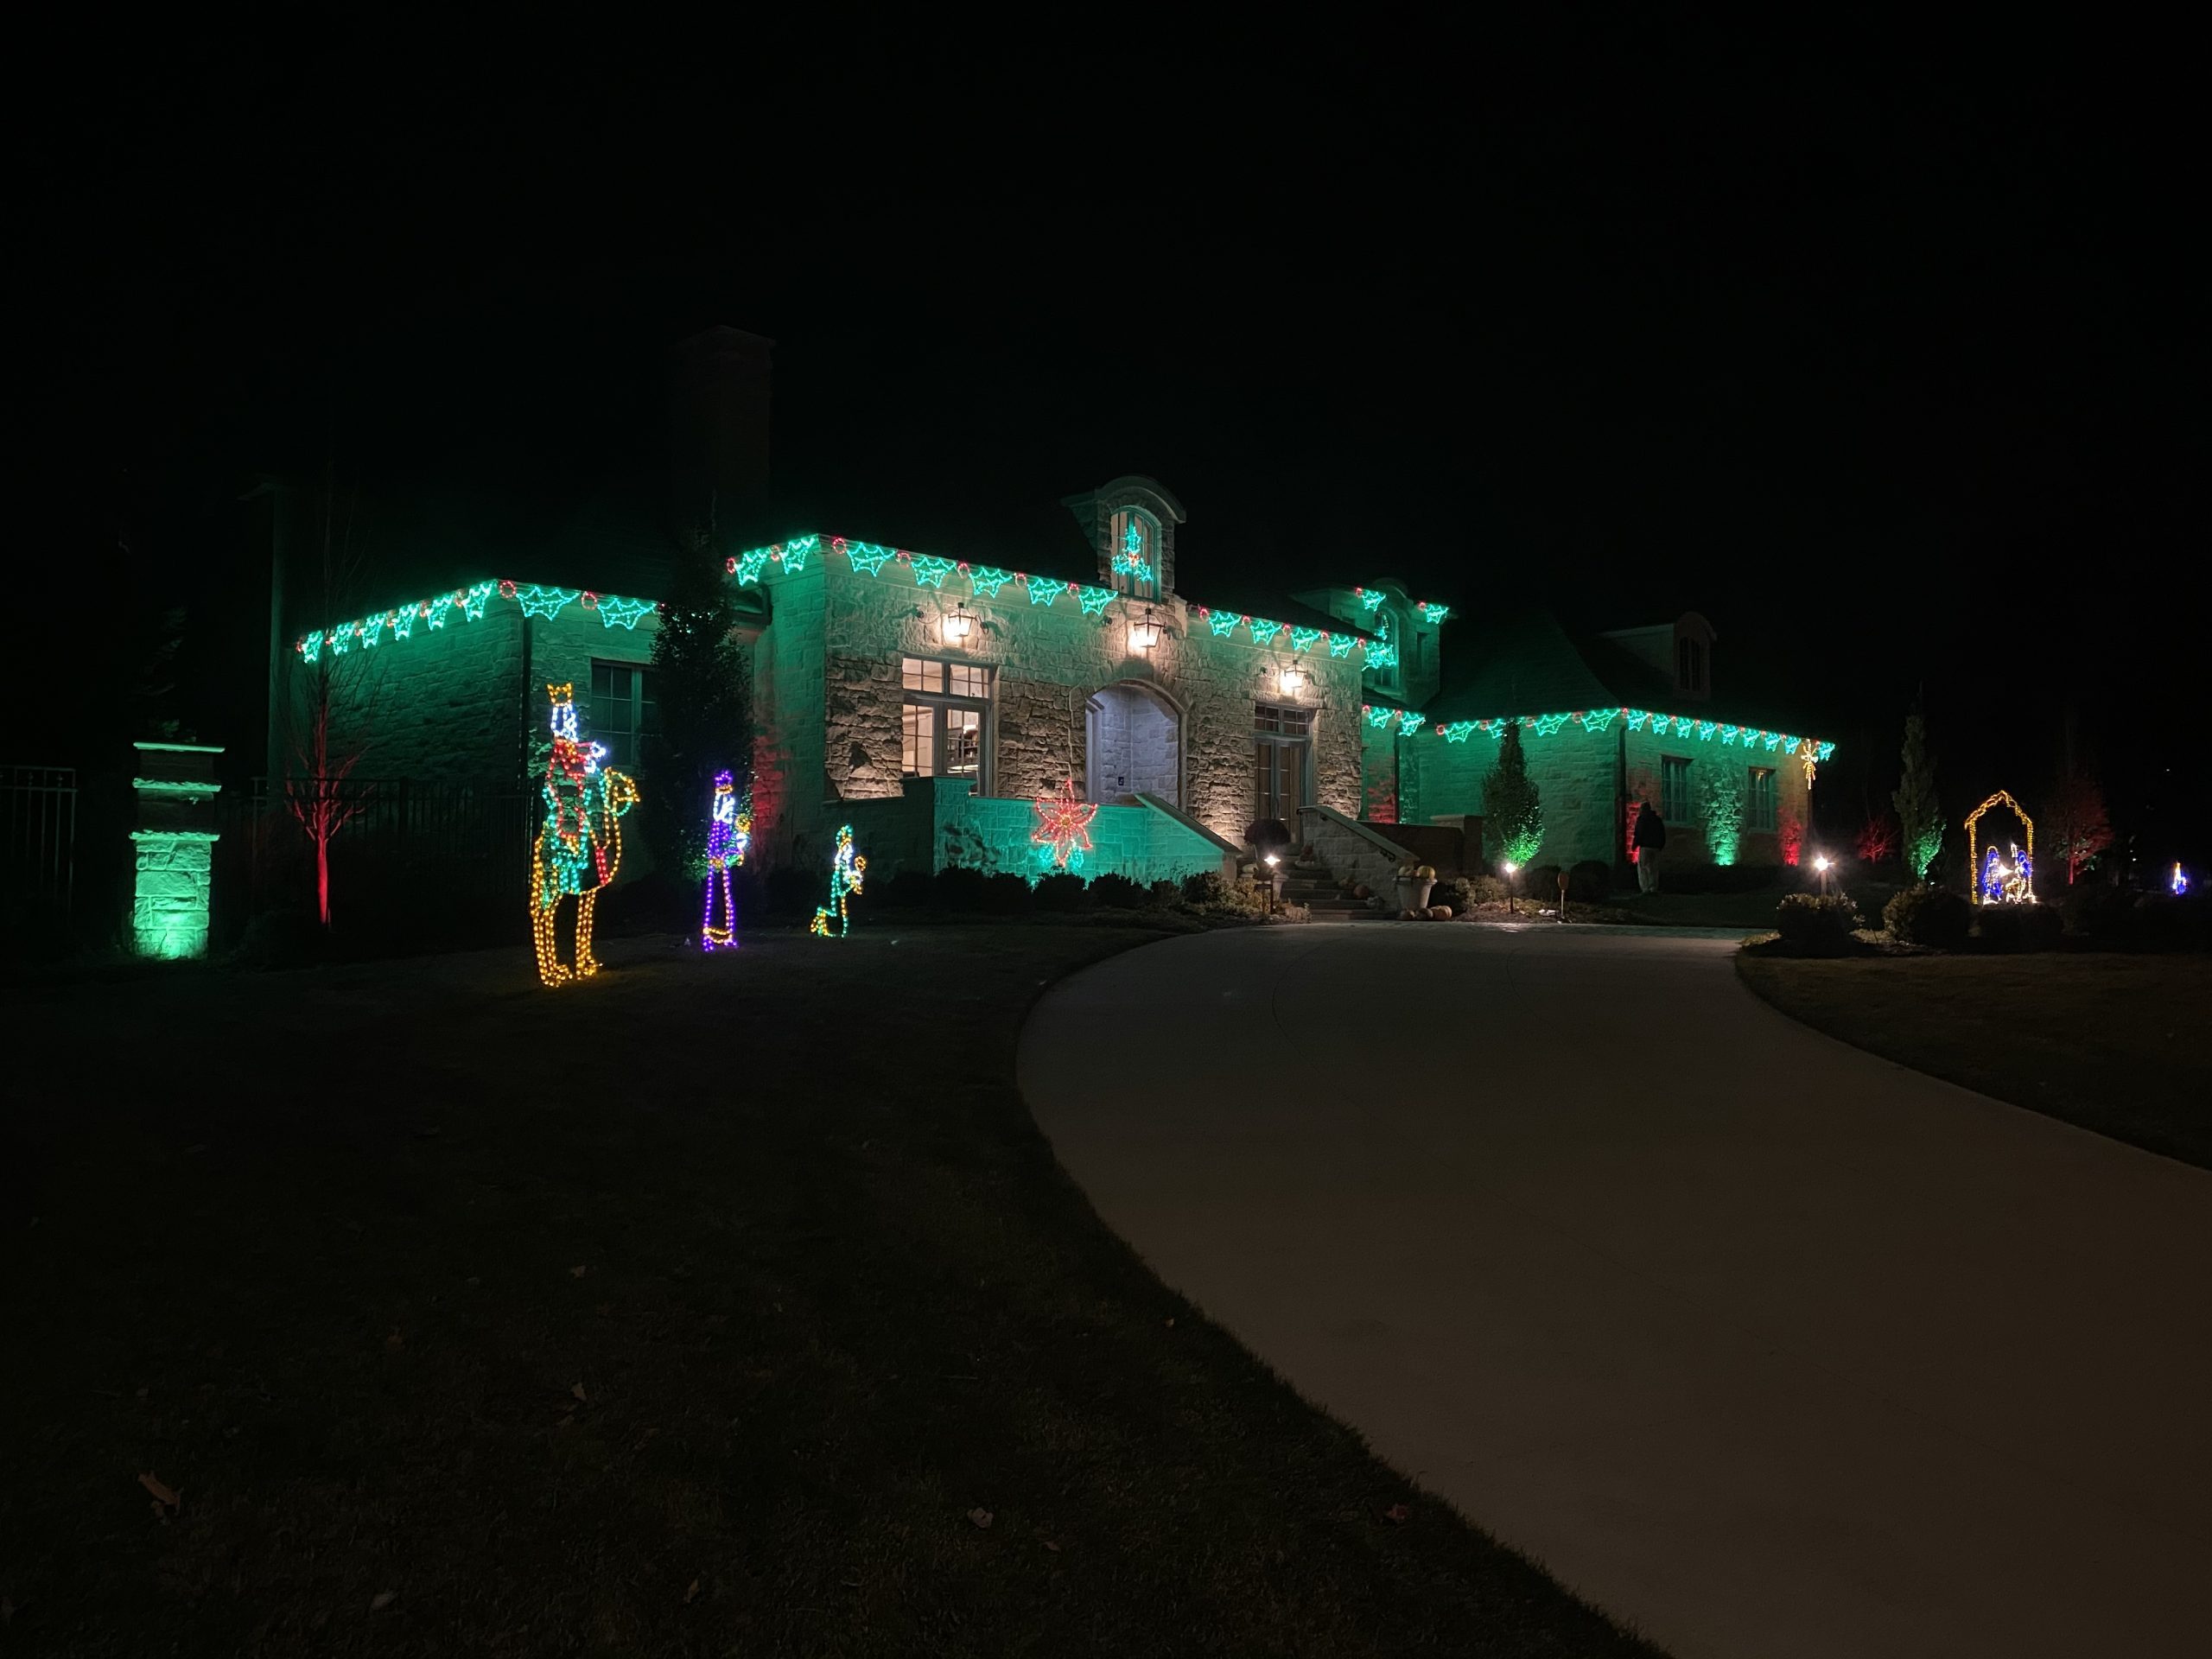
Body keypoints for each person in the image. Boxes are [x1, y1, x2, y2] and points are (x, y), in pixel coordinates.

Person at [1633, 800, 1667, 893]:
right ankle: (1653, 887)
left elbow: (1639, 833)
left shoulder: (1642, 819)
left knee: (1643, 868)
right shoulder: (1657, 820)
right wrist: (1660, 845)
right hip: (1655, 847)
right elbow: (1662, 834)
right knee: (1653, 868)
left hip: (1645, 847)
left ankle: (1645, 888)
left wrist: (1634, 845)